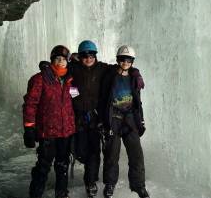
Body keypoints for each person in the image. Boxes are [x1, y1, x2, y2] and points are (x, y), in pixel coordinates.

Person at [39, 40, 144, 198]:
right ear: (80, 56)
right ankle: (72, 183)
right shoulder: (74, 68)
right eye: (84, 55)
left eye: (91, 55)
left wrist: (135, 72)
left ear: (95, 56)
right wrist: (45, 65)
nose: (88, 58)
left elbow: (121, 66)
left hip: (96, 117)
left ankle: (91, 181)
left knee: (94, 151)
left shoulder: (102, 68)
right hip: (79, 116)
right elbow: (60, 67)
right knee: (81, 151)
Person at [23, 45, 75, 198]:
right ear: (52, 60)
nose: (60, 62)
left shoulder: (70, 80)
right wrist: (29, 128)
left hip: (66, 131)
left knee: (62, 165)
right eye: (57, 59)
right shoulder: (39, 79)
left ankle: (61, 194)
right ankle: (36, 194)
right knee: (43, 166)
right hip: (48, 132)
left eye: (64, 59)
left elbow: (75, 100)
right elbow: (30, 104)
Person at [99, 45, 150, 198]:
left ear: (132, 62)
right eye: (122, 59)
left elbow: (137, 102)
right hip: (113, 118)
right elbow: (102, 97)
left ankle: (139, 185)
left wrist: (140, 120)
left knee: (136, 154)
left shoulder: (134, 77)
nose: (125, 62)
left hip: (129, 119)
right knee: (111, 154)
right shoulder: (109, 75)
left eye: (128, 60)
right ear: (118, 60)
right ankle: (109, 184)